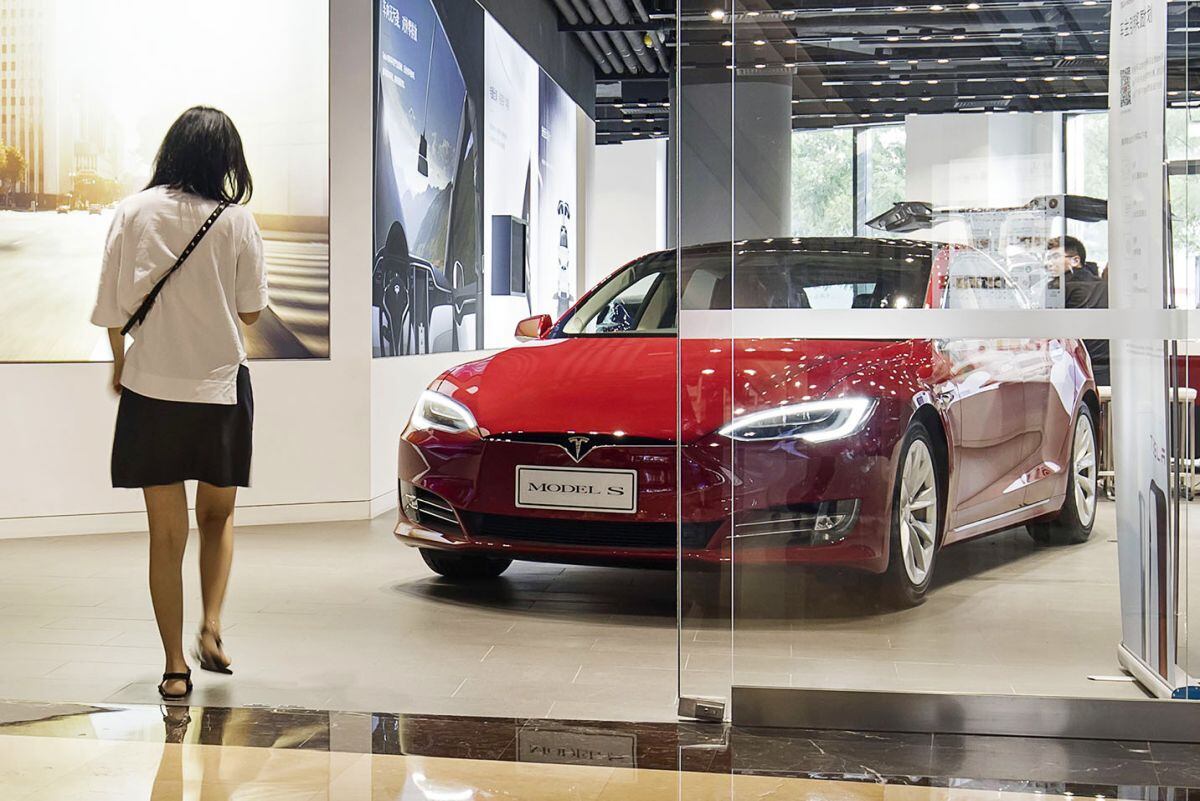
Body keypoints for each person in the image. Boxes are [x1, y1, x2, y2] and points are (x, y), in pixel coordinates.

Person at [91, 106, 267, 701]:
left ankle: (173, 667)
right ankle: (211, 629)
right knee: (217, 518)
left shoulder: (132, 212)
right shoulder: (237, 221)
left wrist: (120, 363)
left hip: (151, 392)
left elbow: (111, 311)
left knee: (164, 536)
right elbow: (249, 311)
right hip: (219, 390)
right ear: (225, 160)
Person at [1047, 235, 1109, 386]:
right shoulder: (1102, 285)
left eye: (1055, 257)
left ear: (1075, 260)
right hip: (1106, 365)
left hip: (1076, 365)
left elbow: (1049, 328)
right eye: (1048, 258)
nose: (1048, 263)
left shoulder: (1058, 287)